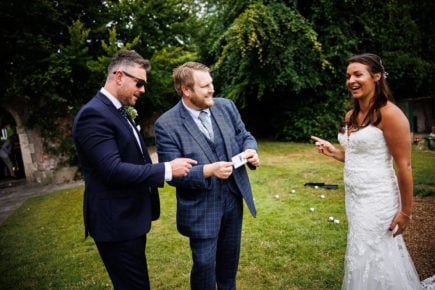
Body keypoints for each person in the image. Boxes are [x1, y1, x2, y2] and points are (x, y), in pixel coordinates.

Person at [72, 50, 197, 290]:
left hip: (129, 218)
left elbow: (133, 156)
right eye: (139, 83)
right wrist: (166, 169)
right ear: (119, 76)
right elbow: (113, 170)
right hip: (115, 223)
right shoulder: (94, 115)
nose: (142, 90)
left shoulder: (117, 111)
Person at [311, 53, 423, 289]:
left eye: (357, 74)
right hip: (354, 198)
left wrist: (406, 212)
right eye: (348, 76)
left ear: (376, 76)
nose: (351, 80)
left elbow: (405, 166)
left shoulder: (391, 115)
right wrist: (334, 152)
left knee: (376, 252)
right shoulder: (351, 116)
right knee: (359, 249)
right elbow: (356, 157)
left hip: (377, 199)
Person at [154, 61, 260, 289]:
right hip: (201, 208)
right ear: (186, 89)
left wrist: (251, 150)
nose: (212, 89)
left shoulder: (226, 107)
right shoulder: (166, 124)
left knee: (229, 267)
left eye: (211, 83)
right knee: (203, 268)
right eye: (205, 86)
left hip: (233, 200)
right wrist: (207, 170)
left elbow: (244, 135)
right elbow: (171, 173)